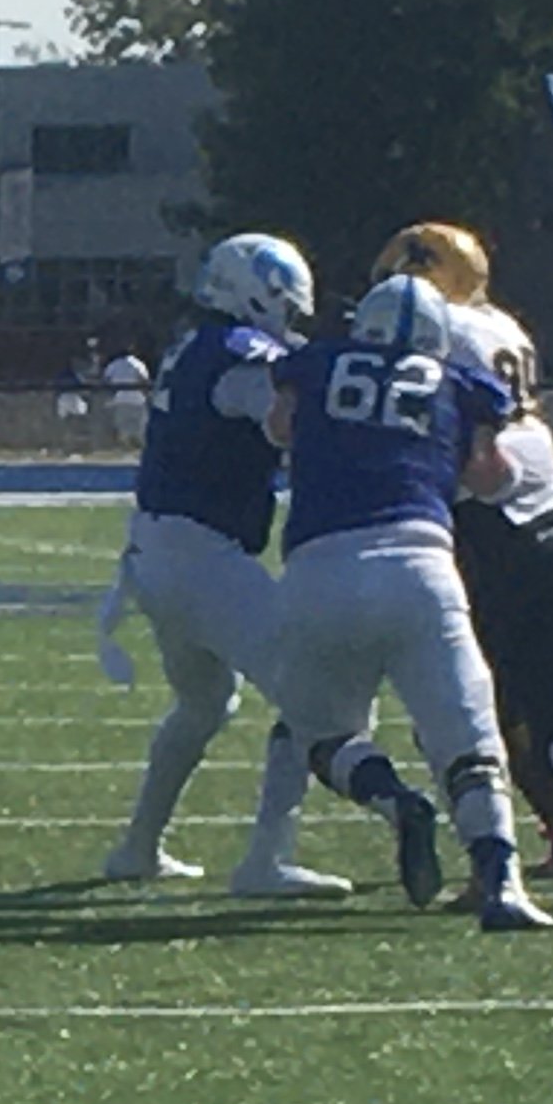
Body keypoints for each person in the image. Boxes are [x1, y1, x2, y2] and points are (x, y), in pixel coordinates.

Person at [370, 222, 553, 911]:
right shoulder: (503, 326)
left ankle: (493, 864)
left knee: (462, 711)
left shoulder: (437, 331)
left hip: (492, 530)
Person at [265, 273, 553, 932]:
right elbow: (491, 478)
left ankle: (396, 800)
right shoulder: (460, 383)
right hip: (421, 569)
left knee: (320, 734)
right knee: (470, 738)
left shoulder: (316, 363)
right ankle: (503, 883)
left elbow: (279, 428)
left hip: (319, 570)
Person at [95, 231, 344, 898]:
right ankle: (269, 858)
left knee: (205, 703)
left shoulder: (198, 345)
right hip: (201, 556)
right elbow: (287, 426)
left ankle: (138, 847)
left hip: (157, 552)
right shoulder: (242, 355)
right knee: (313, 692)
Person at [101, 342, 151, 451]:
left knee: (123, 428)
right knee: (139, 428)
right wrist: (147, 396)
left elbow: (106, 381)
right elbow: (144, 380)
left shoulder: (113, 365)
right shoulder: (138, 364)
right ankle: (138, 450)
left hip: (120, 400)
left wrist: (109, 397)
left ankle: (125, 449)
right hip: (137, 401)